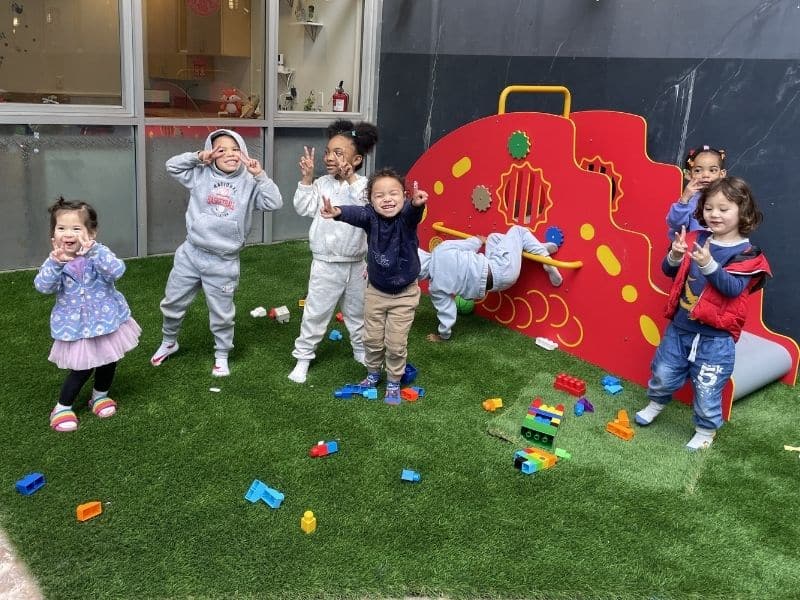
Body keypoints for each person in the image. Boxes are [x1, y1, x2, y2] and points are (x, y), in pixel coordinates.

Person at [635, 177, 770, 450]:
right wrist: (675, 255)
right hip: (680, 328)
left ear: (743, 211)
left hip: (715, 339)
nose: (714, 214)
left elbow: (732, 289)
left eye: (723, 208)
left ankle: (706, 429)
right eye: (709, 208)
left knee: (708, 388)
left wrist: (709, 264)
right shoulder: (696, 238)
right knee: (663, 371)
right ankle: (656, 403)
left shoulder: (748, 254)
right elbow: (669, 271)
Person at [150, 129, 282, 376]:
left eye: (235, 149)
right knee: (172, 303)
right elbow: (172, 166)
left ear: (243, 152)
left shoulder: (250, 182)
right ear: (212, 153)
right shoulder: (200, 173)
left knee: (222, 314)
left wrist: (260, 176)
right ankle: (169, 341)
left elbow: (274, 203)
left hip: (223, 262)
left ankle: (221, 354)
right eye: (222, 150)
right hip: (191, 254)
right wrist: (199, 157)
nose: (230, 154)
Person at [319, 168, 428, 402]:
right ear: (370, 200)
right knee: (372, 339)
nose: (387, 199)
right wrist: (338, 211)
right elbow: (356, 214)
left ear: (404, 196)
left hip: (405, 294)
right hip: (376, 291)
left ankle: (394, 380)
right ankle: (373, 373)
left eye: (393, 194)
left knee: (396, 343)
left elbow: (412, 214)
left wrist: (416, 205)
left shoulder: (406, 218)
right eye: (379, 195)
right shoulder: (370, 216)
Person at [35, 198, 141, 432]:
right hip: (77, 327)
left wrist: (93, 252)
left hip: (107, 321)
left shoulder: (98, 253)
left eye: (76, 228)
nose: (68, 234)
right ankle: (62, 406)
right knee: (82, 368)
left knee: (109, 360)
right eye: (61, 228)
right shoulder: (55, 260)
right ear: (53, 234)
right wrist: (56, 264)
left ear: (91, 233)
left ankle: (100, 395)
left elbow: (117, 271)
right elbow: (43, 287)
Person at [288, 119, 379, 383]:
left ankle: (360, 350)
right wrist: (307, 180)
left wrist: (350, 178)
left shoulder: (364, 185)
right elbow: (303, 207)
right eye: (328, 151)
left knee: (358, 313)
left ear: (357, 159)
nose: (329, 157)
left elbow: (368, 207)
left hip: (357, 264)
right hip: (325, 264)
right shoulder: (322, 184)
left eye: (338, 153)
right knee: (315, 313)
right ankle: (303, 358)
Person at [418, 225, 562, 342]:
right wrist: (478, 240)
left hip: (494, 285)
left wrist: (443, 335)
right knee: (518, 231)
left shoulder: (435, 288)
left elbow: (446, 311)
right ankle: (546, 259)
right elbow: (469, 244)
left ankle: (535, 247)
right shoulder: (442, 249)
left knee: (494, 238)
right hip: (501, 269)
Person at [666, 145, 726, 239]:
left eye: (712, 170)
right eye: (698, 171)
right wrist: (684, 200)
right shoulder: (689, 200)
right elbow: (675, 224)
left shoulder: (728, 197)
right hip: (691, 246)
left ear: (722, 174)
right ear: (689, 175)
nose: (705, 175)